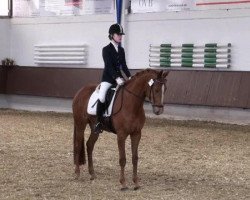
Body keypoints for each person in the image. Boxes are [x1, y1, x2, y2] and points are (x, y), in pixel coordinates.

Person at [94, 23, 131, 134]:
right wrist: (116, 78)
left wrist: (129, 76)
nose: (120, 36)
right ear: (111, 35)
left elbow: (124, 66)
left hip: (119, 78)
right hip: (108, 79)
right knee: (102, 97)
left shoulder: (121, 50)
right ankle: (98, 122)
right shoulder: (106, 49)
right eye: (118, 34)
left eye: (121, 34)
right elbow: (108, 66)